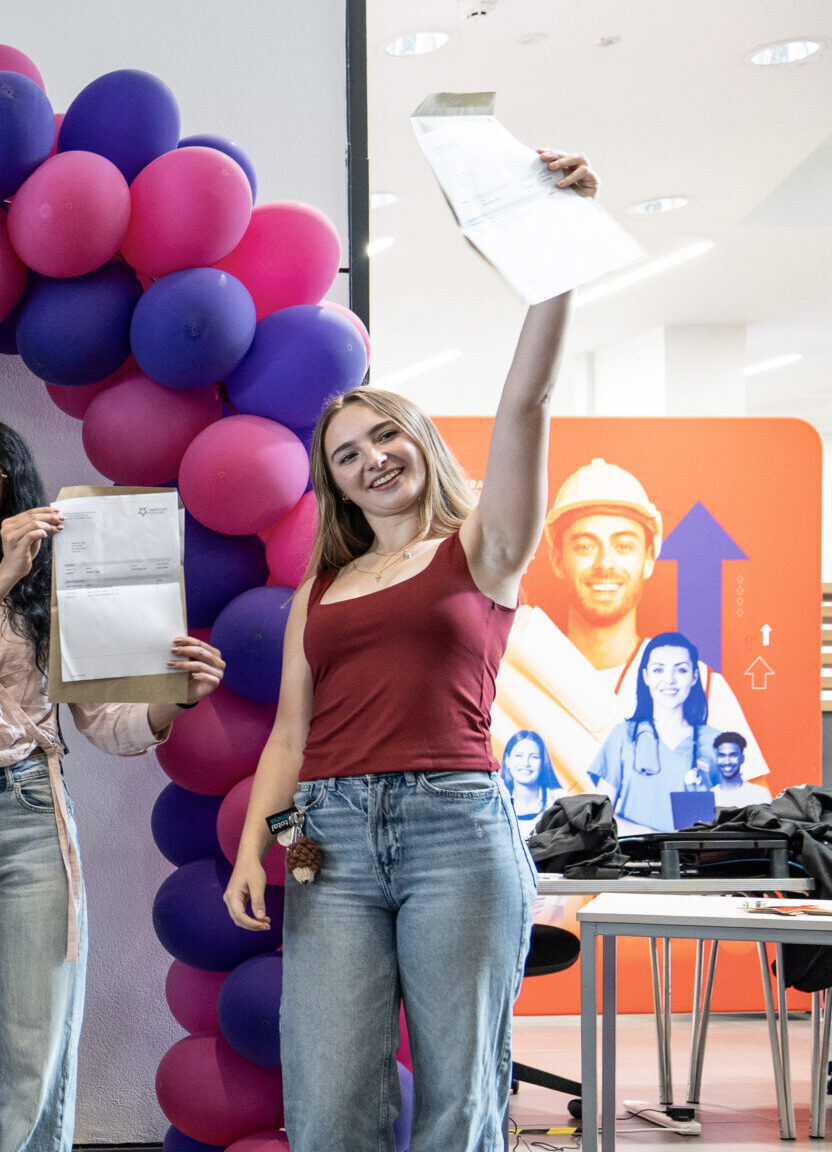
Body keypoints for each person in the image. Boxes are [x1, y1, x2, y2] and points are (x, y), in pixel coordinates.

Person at [224, 147, 596, 1152]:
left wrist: (552, 256)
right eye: (347, 456)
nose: (370, 459)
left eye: (386, 437)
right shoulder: (322, 589)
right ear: (336, 486)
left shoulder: (482, 551)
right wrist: (253, 844)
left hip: (454, 835)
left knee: (457, 1094)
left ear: (420, 444)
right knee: (330, 1092)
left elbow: (527, 405)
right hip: (329, 841)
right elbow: (289, 737)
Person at [0, 414, 223, 1152]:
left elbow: (106, 723)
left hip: (31, 809)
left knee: (39, 1046)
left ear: (13, 489)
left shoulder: (55, 589)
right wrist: (6, 569)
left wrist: (173, 699)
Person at [493, 458, 768, 791]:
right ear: (556, 559)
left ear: (649, 559)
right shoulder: (510, 682)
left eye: (623, 546)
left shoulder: (698, 686)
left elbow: (752, 812)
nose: (605, 563)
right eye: (584, 546)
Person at [583, 632, 719, 833]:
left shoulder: (713, 740)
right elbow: (600, 817)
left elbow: (731, 809)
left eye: (680, 670)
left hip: (695, 861)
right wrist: (656, 839)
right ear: (646, 676)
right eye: (659, 670)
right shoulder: (623, 736)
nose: (669, 680)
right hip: (636, 858)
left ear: (694, 677)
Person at [501, 730, 559, 827]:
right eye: (519, 755)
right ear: (507, 760)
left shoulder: (558, 800)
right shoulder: (496, 803)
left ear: (543, 762)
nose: (526, 763)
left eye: (534, 757)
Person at [707, 732, 770, 809]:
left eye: (733, 755)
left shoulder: (760, 794)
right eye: (722, 755)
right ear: (716, 759)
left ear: (742, 758)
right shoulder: (709, 797)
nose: (727, 761)